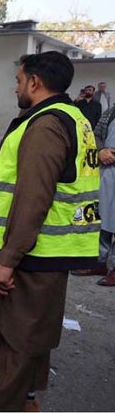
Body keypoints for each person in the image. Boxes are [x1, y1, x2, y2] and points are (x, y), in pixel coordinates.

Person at [0, 51, 101, 412]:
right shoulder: (74, 117)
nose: (16, 88)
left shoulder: (45, 126)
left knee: (11, 336)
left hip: (31, 253)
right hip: (49, 251)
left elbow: (33, 198)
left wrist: (7, 260)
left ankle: (0, 406)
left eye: (19, 81)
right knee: (33, 332)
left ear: (35, 82)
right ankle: (27, 401)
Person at [77, 105, 115, 286]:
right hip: (107, 171)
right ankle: (98, 262)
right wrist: (101, 151)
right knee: (101, 217)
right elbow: (96, 134)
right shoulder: (110, 112)